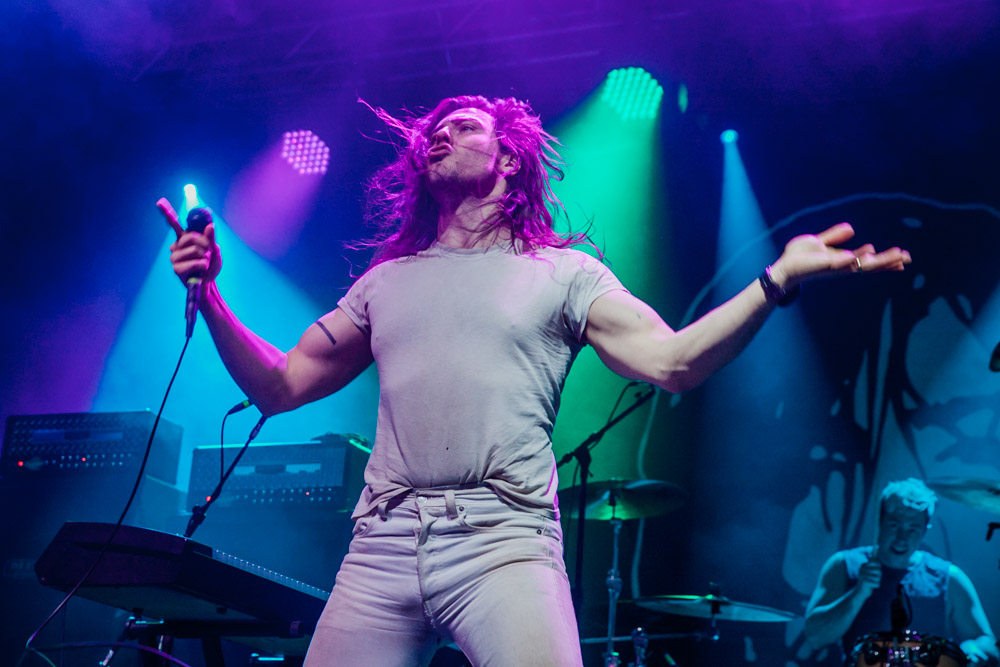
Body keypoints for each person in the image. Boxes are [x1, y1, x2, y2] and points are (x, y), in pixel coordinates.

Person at [160, 94, 911, 666]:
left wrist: (775, 279)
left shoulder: (564, 273)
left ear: (509, 159)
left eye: (463, 126)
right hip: (381, 541)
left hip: (502, 540)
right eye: (434, 129)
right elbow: (280, 386)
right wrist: (210, 296)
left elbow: (673, 361)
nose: (439, 134)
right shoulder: (386, 282)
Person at [804, 478, 998, 665]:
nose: (901, 537)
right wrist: (858, 594)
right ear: (880, 521)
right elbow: (816, 637)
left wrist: (973, 651)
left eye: (913, 529)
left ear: (924, 530)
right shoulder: (844, 565)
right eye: (894, 525)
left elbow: (985, 641)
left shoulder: (949, 578)